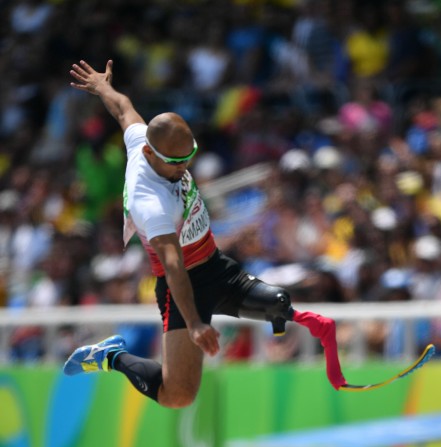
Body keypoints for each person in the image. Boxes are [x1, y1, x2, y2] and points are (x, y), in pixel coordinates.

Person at [63, 59, 347, 407]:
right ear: (151, 154)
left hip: (214, 265)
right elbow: (173, 267)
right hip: (183, 286)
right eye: (177, 162)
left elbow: (124, 109)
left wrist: (102, 86)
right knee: (178, 395)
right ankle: (111, 357)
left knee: (279, 303)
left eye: (189, 157)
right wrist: (196, 323)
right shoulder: (149, 201)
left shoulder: (143, 141)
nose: (185, 167)